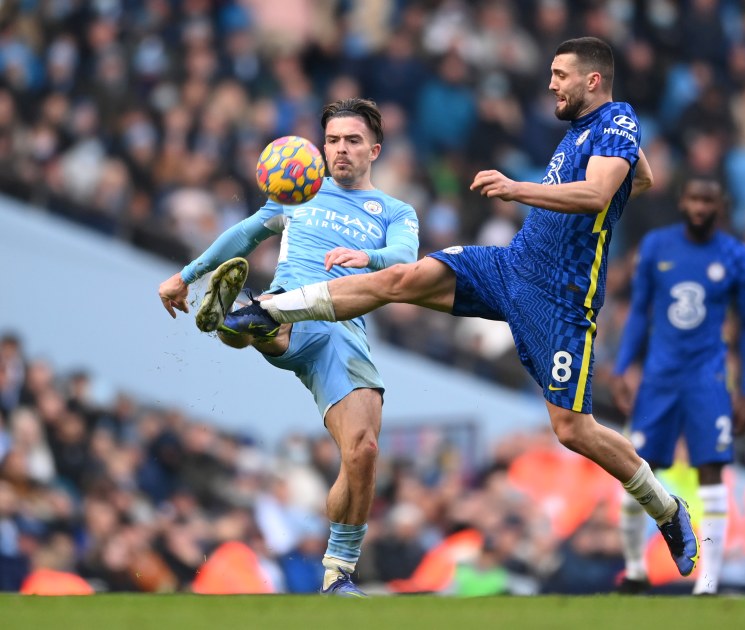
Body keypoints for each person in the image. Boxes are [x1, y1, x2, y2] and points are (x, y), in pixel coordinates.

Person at [220, 36, 701, 582]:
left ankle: (666, 509)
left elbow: (596, 195)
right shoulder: (589, 132)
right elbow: (642, 179)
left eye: (560, 75)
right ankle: (274, 309)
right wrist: (611, 189)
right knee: (401, 278)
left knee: (573, 430)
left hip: (560, 300)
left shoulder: (617, 121)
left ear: (593, 80)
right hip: (510, 266)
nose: (550, 83)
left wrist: (518, 189)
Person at [157, 98, 420, 597]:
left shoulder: (394, 210)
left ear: (375, 150)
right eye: (333, 140)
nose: (340, 149)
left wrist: (368, 254)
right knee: (274, 315)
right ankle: (247, 318)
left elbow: (405, 258)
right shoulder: (299, 193)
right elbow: (243, 233)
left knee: (362, 451)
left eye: (353, 141)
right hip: (292, 309)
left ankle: (337, 574)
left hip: (344, 332)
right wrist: (185, 276)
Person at [609, 176, 745, 595]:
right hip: (658, 376)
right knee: (636, 468)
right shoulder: (657, 246)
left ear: (720, 205)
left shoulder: (737, 257)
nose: (699, 207)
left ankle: (707, 580)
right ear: (682, 202)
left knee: (711, 471)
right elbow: (639, 311)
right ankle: (635, 568)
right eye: (694, 198)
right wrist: (623, 369)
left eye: (708, 200)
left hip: (706, 377)